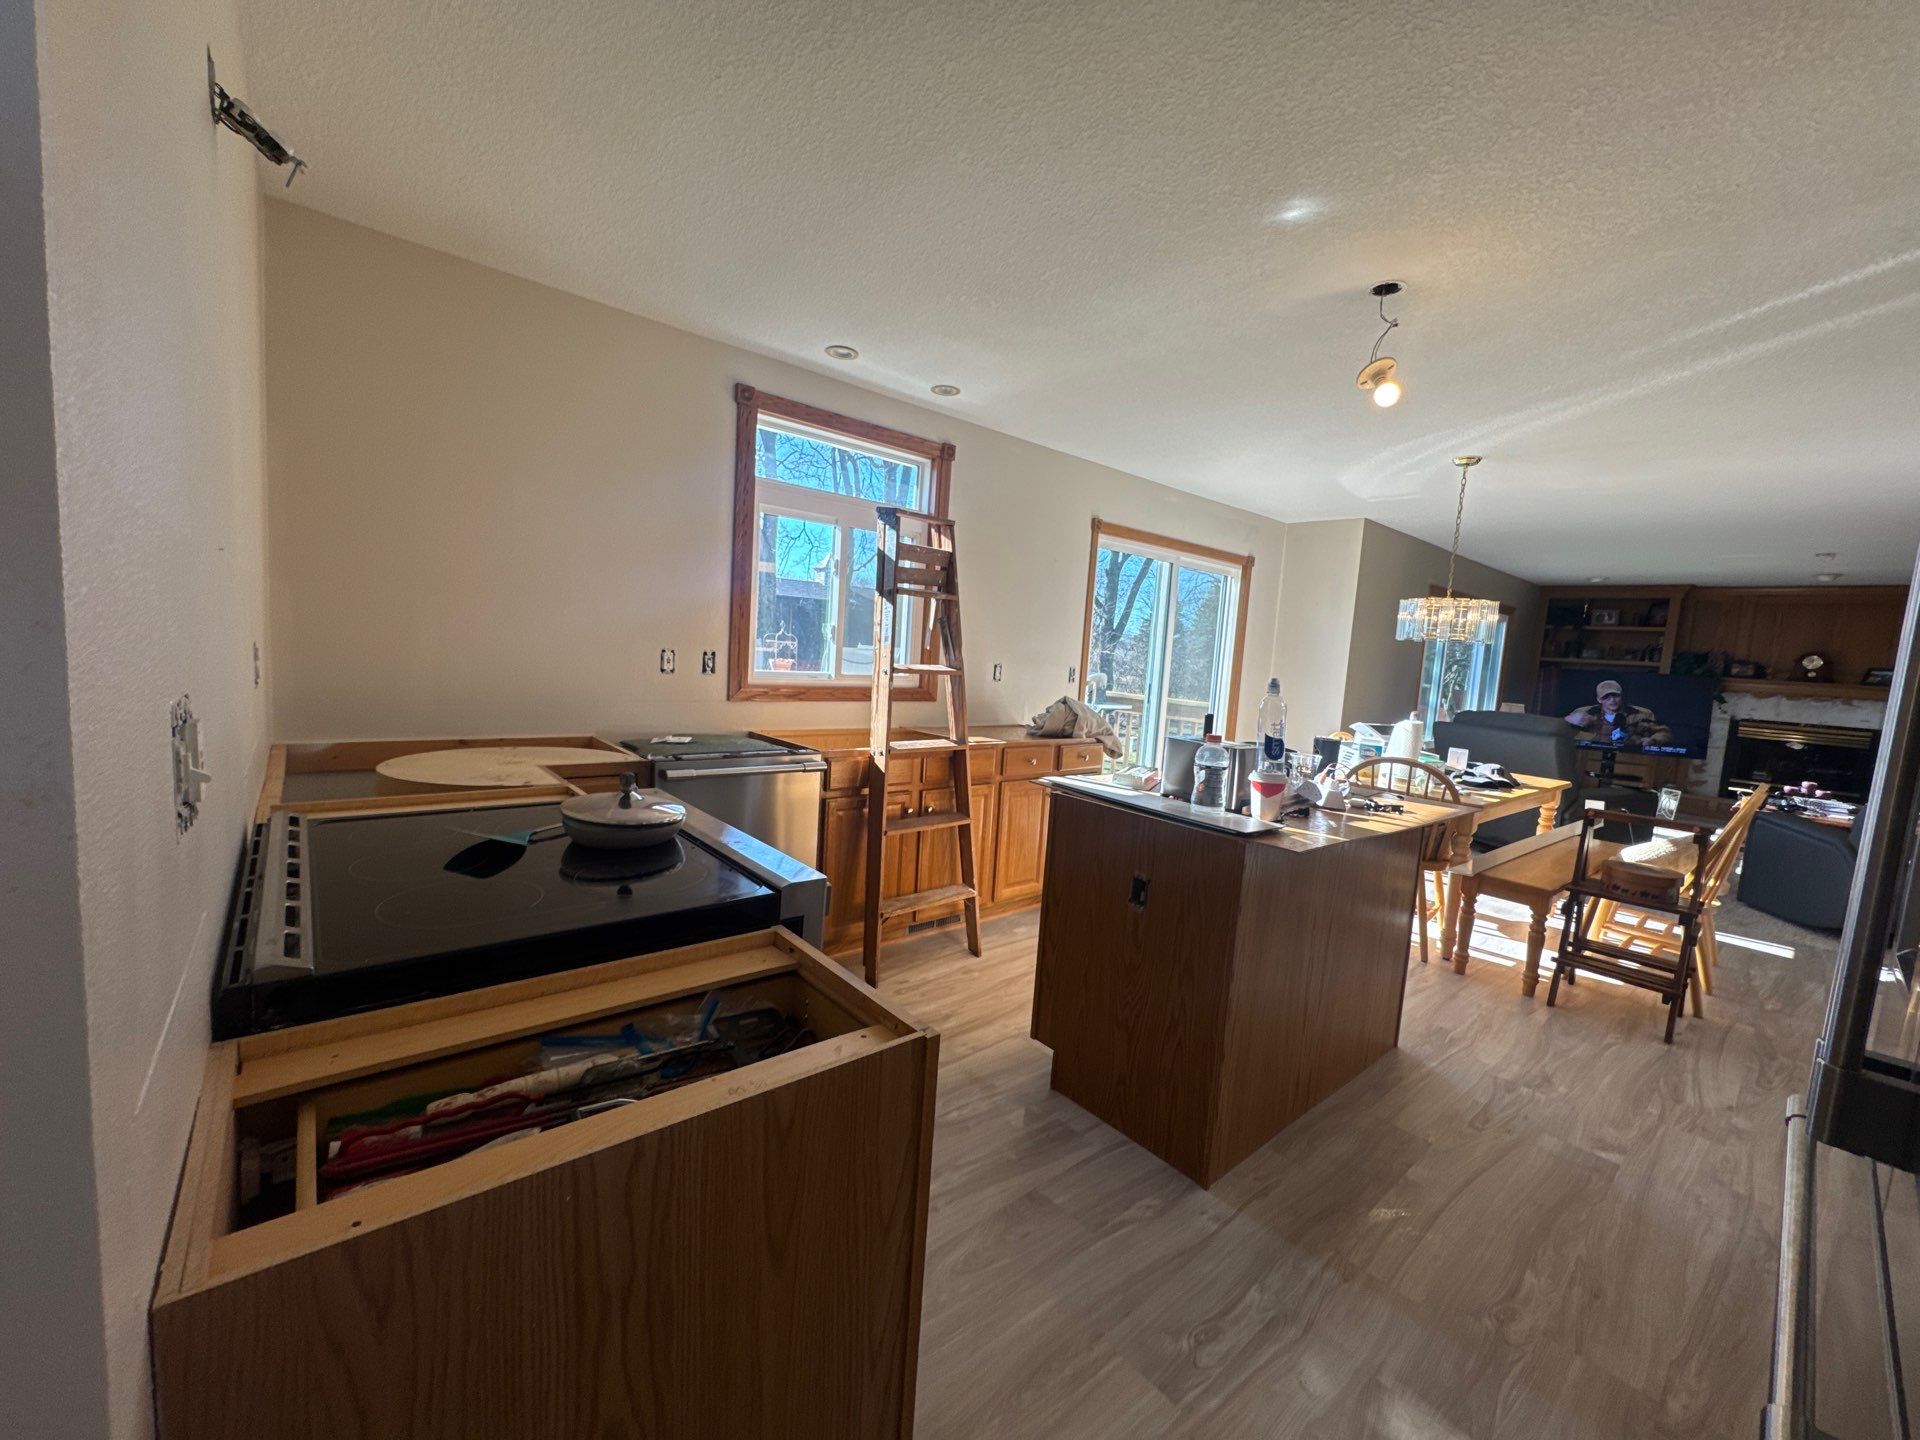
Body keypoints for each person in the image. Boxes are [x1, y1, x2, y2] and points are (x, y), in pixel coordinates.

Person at [1564, 678, 1672, 747]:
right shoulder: (1584, 713)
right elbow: (1559, 731)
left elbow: (1664, 732)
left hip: (1628, 756)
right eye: (1606, 697)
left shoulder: (1641, 714)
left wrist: (1652, 741)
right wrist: (1567, 720)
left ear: (1621, 696)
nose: (1612, 700)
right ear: (1599, 699)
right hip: (1590, 755)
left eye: (1615, 696)